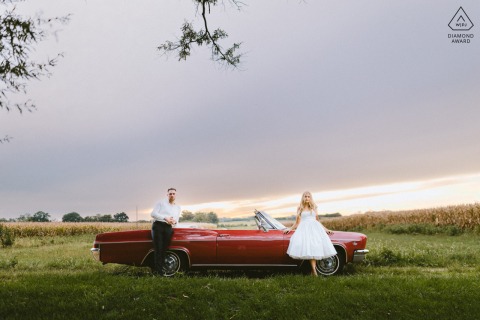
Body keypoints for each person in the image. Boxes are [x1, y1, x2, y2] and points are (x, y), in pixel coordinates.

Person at [284, 191, 337, 276]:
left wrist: (326, 229)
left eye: (309, 196)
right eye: (305, 196)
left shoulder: (314, 207)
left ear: (310, 198)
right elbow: (297, 223)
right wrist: (290, 228)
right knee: (309, 249)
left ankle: (313, 271)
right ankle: (314, 272)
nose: (307, 198)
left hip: (315, 229)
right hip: (304, 229)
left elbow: (317, 221)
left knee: (314, 248)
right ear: (303, 198)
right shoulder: (299, 208)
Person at [151, 187, 181, 275]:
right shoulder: (160, 203)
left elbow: (176, 220)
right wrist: (165, 218)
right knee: (158, 248)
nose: (172, 195)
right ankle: (158, 272)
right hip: (158, 226)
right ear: (167, 195)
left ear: (176, 195)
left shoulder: (178, 207)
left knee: (165, 248)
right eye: (170, 193)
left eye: (173, 193)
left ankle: (162, 269)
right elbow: (153, 214)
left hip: (168, 228)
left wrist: (174, 222)